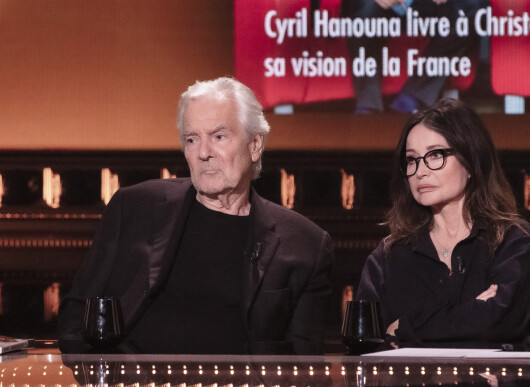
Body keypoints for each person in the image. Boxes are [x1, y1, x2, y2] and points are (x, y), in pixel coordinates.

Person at [58, 77, 334, 355]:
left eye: (219, 137)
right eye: (192, 139)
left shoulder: (304, 244)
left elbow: (304, 366)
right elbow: (78, 314)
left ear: (254, 145)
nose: (203, 153)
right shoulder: (133, 208)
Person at [357, 98, 530, 346]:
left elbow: (499, 324)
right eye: (412, 159)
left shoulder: (511, 241)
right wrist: (474, 312)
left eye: (436, 155)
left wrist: (407, 327)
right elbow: (366, 344)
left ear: (472, 161)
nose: (421, 171)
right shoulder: (387, 257)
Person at [342, 0, 488, 114]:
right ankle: (368, 107)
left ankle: (412, 97)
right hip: (380, 6)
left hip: (429, 6)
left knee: (474, 3)